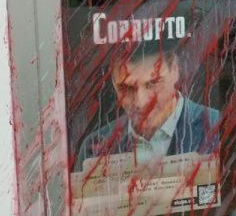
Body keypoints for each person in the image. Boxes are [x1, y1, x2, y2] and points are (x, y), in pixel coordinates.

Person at [75, 40, 220, 166]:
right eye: (126, 88)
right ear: (113, 83)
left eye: (153, 84)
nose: (141, 102)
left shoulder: (217, 127)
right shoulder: (93, 148)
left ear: (175, 70)